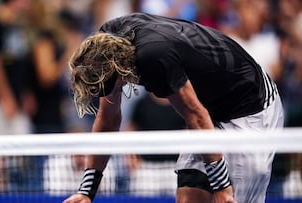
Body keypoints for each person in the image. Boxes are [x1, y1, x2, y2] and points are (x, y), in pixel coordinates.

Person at [63, 13, 284, 203]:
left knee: (229, 199)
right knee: (189, 197)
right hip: (208, 111)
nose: (108, 95)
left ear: (118, 69)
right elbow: (108, 120)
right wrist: (86, 192)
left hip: (250, 106)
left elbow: (198, 118)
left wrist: (222, 188)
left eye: (109, 87)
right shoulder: (108, 42)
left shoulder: (153, 58)